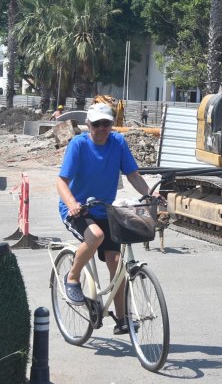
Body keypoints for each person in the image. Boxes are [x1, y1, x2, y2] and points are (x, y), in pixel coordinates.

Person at [57, 103, 152, 334]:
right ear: (88, 124)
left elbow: (132, 175)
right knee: (96, 236)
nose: (102, 128)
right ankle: (72, 277)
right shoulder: (78, 145)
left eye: (106, 124)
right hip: (78, 210)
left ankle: (122, 319)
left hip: (104, 210)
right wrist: (72, 204)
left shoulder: (117, 142)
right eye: (97, 124)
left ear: (112, 125)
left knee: (116, 261)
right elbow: (61, 182)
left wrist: (150, 195)